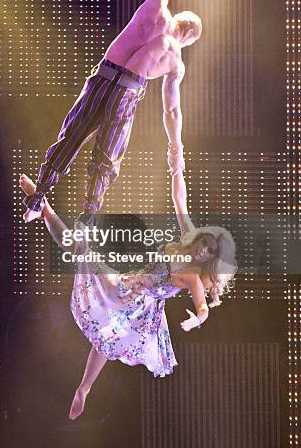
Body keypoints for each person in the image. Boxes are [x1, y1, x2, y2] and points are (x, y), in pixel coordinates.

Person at [22, 0, 202, 226]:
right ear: (188, 38)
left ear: (181, 20)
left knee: (73, 136)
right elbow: (172, 110)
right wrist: (175, 148)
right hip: (127, 90)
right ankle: (86, 219)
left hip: (105, 76)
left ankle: (39, 198)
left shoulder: (157, 7)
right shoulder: (176, 61)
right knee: (105, 157)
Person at [18, 170, 236, 421]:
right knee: (83, 258)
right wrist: (177, 164)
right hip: (128, 283)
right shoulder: (187, 237)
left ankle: (84, 388)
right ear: (199, 239)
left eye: (209, 251)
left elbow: (203, 306)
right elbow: (179, 199)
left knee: (106, 328)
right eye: (204, 243)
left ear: (211, 258)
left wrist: (198, 318)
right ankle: (41, 206)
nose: (203, 250)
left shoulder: (193, 277)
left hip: (142, 304)